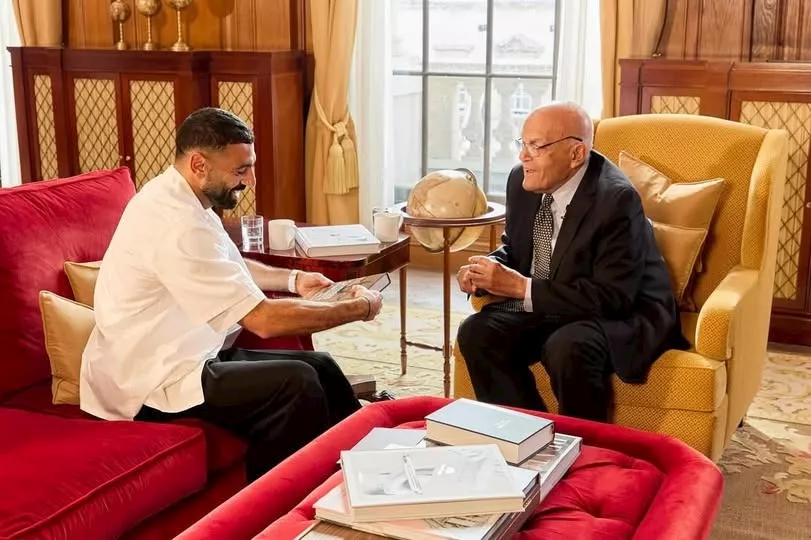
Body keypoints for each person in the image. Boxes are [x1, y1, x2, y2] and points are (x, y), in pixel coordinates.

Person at [80, 107, 384, 482]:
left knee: (320, 365)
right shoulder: (176, 223)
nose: (250, 181)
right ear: (199, 164)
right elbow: (265, 321)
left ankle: (368, 470)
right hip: (150, 381)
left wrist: (294, 280)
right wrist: (358, 308)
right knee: (297, 383)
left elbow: (229, 262)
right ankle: (269, 502)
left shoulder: (184, 197)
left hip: (186, 354)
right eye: (241, 171)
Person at [455, 102, 687, 422]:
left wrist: (520, 287)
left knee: (567, 347)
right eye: (523, 144)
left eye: (536, 146)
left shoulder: (616, 199)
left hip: (621, 310)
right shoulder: (522, 180)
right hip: (555, 298)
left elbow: (613, 297)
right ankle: (525, 432)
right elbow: (518, 249)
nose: (523, 156)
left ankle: (583, 444)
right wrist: (486, 269)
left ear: (576, 154)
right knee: (477, 332)